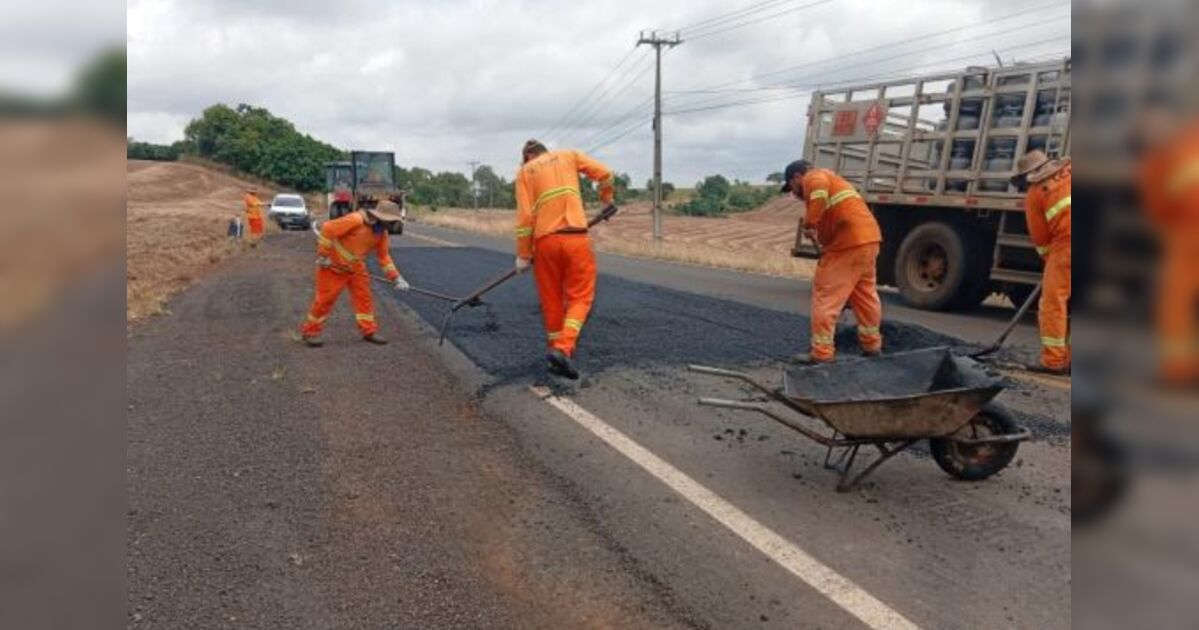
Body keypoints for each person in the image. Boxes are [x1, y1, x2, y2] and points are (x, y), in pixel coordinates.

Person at [514, 139, 615, 379]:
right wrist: (606, 199)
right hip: (576, 239)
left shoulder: (525, 172)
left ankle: (556, 352)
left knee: (551, 300)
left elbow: (526, 217)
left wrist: (524, 254)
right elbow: (606, 175)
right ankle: (562, 349)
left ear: (528, 156)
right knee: (580, 297)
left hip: (546, 243)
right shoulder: (570, 155)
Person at [780, 160, 884, 364]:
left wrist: (810, 224)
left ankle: (821, 353)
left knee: (825, 297)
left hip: (847, 245)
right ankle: (872, 346)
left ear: (797, 177)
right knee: (865, 296)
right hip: (868, 241)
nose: (794, 193)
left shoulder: (814, 177)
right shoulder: (833, 180)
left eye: (791, 187)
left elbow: (819, 192)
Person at [1138, 111, 1199, 386]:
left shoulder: (1155, 164)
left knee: (1176, 303)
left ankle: (1180, 369)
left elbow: (1159, 212)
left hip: (1188, 237)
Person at [299, 201, 409, 347]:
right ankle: (310, 332)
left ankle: (369, 331)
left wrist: (396, 277)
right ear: (381, 217)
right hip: (334, 266)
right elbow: (328, 228)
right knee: (324, 300)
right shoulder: (356, 220)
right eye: (391, 221)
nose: (392, 225)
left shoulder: (381, 233)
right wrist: (323, 255)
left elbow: (384, 257)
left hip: (356, 267)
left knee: (364, 298)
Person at [1012, 150, 1071, 375]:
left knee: (1053, 303)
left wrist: (1051, 263)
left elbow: (1041, 238)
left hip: (1067, 245)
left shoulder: (1036, 193)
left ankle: (1054, 360)